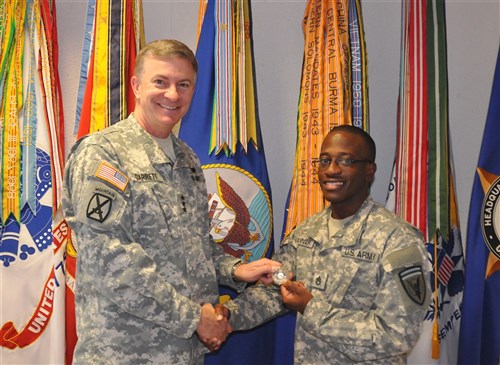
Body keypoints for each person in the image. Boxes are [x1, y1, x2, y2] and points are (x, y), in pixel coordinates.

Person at [62, 39, 280, 365]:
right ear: (136, 85)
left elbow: (194, 249)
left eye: (184, 84)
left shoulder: (187, 159)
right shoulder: (104, 154)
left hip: (183, 354)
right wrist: (195, 318)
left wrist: (236, 269)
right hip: (123, 355)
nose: (173, 95)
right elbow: (113, 263)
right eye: (160, 82)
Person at [221, 125, 431, 364]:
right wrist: (228, 316)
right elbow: (275, 291)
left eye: (346, 161)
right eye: (324, 160)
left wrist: (311, 309)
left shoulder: (398, 239)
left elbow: (397, 335)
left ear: (369, 171)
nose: (331, 170)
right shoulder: (307, 231)